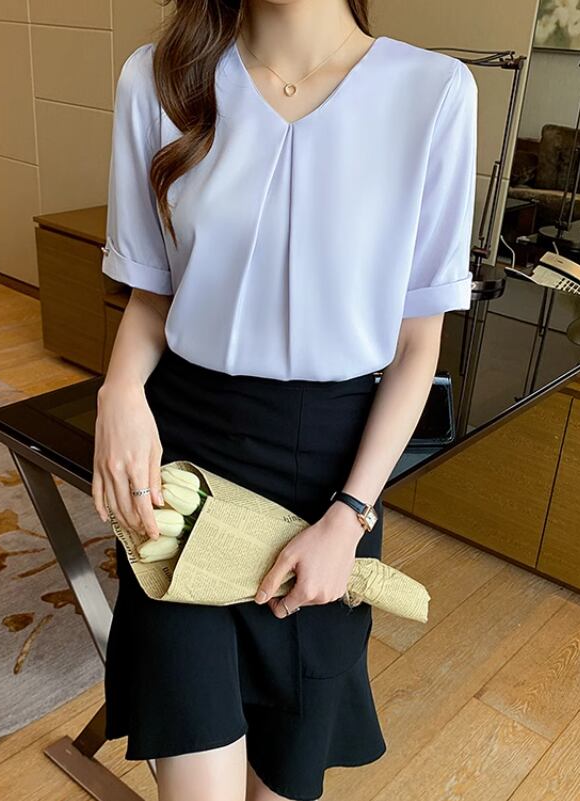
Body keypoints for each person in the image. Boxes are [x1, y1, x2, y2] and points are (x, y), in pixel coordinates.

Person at [92, 1, 478, 799]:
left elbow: (417, 346)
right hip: (188, 471)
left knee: (286, 779)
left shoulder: (434, 92)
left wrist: (351, 514)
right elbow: (152, 295)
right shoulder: (158, 80)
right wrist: (119, 389)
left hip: (329, 480)